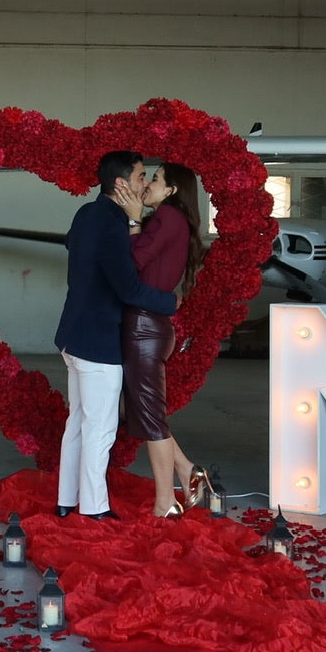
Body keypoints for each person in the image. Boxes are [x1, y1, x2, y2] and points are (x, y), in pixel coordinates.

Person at [53, 150, 179, 518]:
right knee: (100, 429)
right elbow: (129, 289)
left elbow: (71, 245)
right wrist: (171, 302)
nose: (145, 183)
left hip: (72, 334)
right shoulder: (112, 224)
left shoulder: (87, 213)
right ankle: (93, 509)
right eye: (142, 177)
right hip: (96, 341)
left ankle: (66, 502)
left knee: (77, 424)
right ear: (121, 184)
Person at [115, 163, 210, 517]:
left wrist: (134, 219)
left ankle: (165, 502)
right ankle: (186, 470)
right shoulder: (173, 220)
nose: (148, 185)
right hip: (148, 326)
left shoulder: (166, 218)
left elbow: (134, 262)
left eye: (154, 180)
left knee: (151, 418)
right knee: (135, 411)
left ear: (171, 191)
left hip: (144, 328)